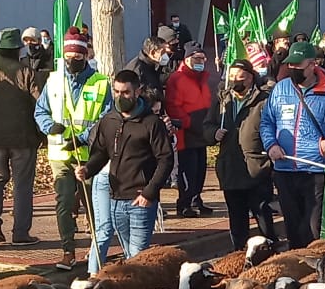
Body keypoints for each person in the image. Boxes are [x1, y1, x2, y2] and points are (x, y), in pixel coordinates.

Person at [33, 27, 111, 271]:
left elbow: (105, 119)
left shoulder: (100, 83)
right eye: (68, 56)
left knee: (92, 203)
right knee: (64, 202)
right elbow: (40, 111)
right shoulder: (54, 80)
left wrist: (83, 137)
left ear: (86, 55)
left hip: (90, 157)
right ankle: (68, 250)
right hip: (60, 155)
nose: (72, 61)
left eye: (78, 56)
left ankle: (96, 247)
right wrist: (50, 127)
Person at [79, 69, 172, 262]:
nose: (121, 97)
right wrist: (88, 169)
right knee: (129, 256)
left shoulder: (151, 123)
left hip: (140, 199)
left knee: (137, 257)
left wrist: (150, 192)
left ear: (137, 92)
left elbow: (165, 159)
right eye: (117, 92)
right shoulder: (109, 120)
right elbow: (102, 153)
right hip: (115, 199)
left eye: (126, 93)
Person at [265, 42, 325, 245]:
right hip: (285, 169)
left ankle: (315, 267)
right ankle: (298, 267)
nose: (293, 69)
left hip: (316, 170)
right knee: (293, 227)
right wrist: (271, 144)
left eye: (298, 65)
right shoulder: (280, 89)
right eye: (290, 65)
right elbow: (267, 121)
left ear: (312, 64)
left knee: (313, 227)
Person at [0, 29, 45, 245]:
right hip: (22, 139)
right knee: (22, 185)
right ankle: (21, 233)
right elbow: (40, 103)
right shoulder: (26, 72)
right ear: (17, 50)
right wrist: (42, 133)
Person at [214, 58, 278, 251]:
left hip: (256, 168)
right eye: (231, 75)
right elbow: (207, 125)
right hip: (231, 167)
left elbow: (273, 127)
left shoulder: (263, 101)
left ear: (250, 78)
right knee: (237, 217)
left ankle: (270, 249)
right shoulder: (223, 100)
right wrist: (213, 133)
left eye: (239, 76)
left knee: (262, 214)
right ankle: (239, 253)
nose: (234, 80)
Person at [163, 41, 217, 218]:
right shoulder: (177, 78)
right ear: (186, 59)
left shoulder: (202, 78)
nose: (200, 61)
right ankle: (184, 203)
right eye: (196, 58)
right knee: (187, 170)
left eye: (202, 57)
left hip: (201, 131)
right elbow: (173, 106)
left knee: (200, 169)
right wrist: (188, 123)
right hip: (186, 133)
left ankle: (196, 199)